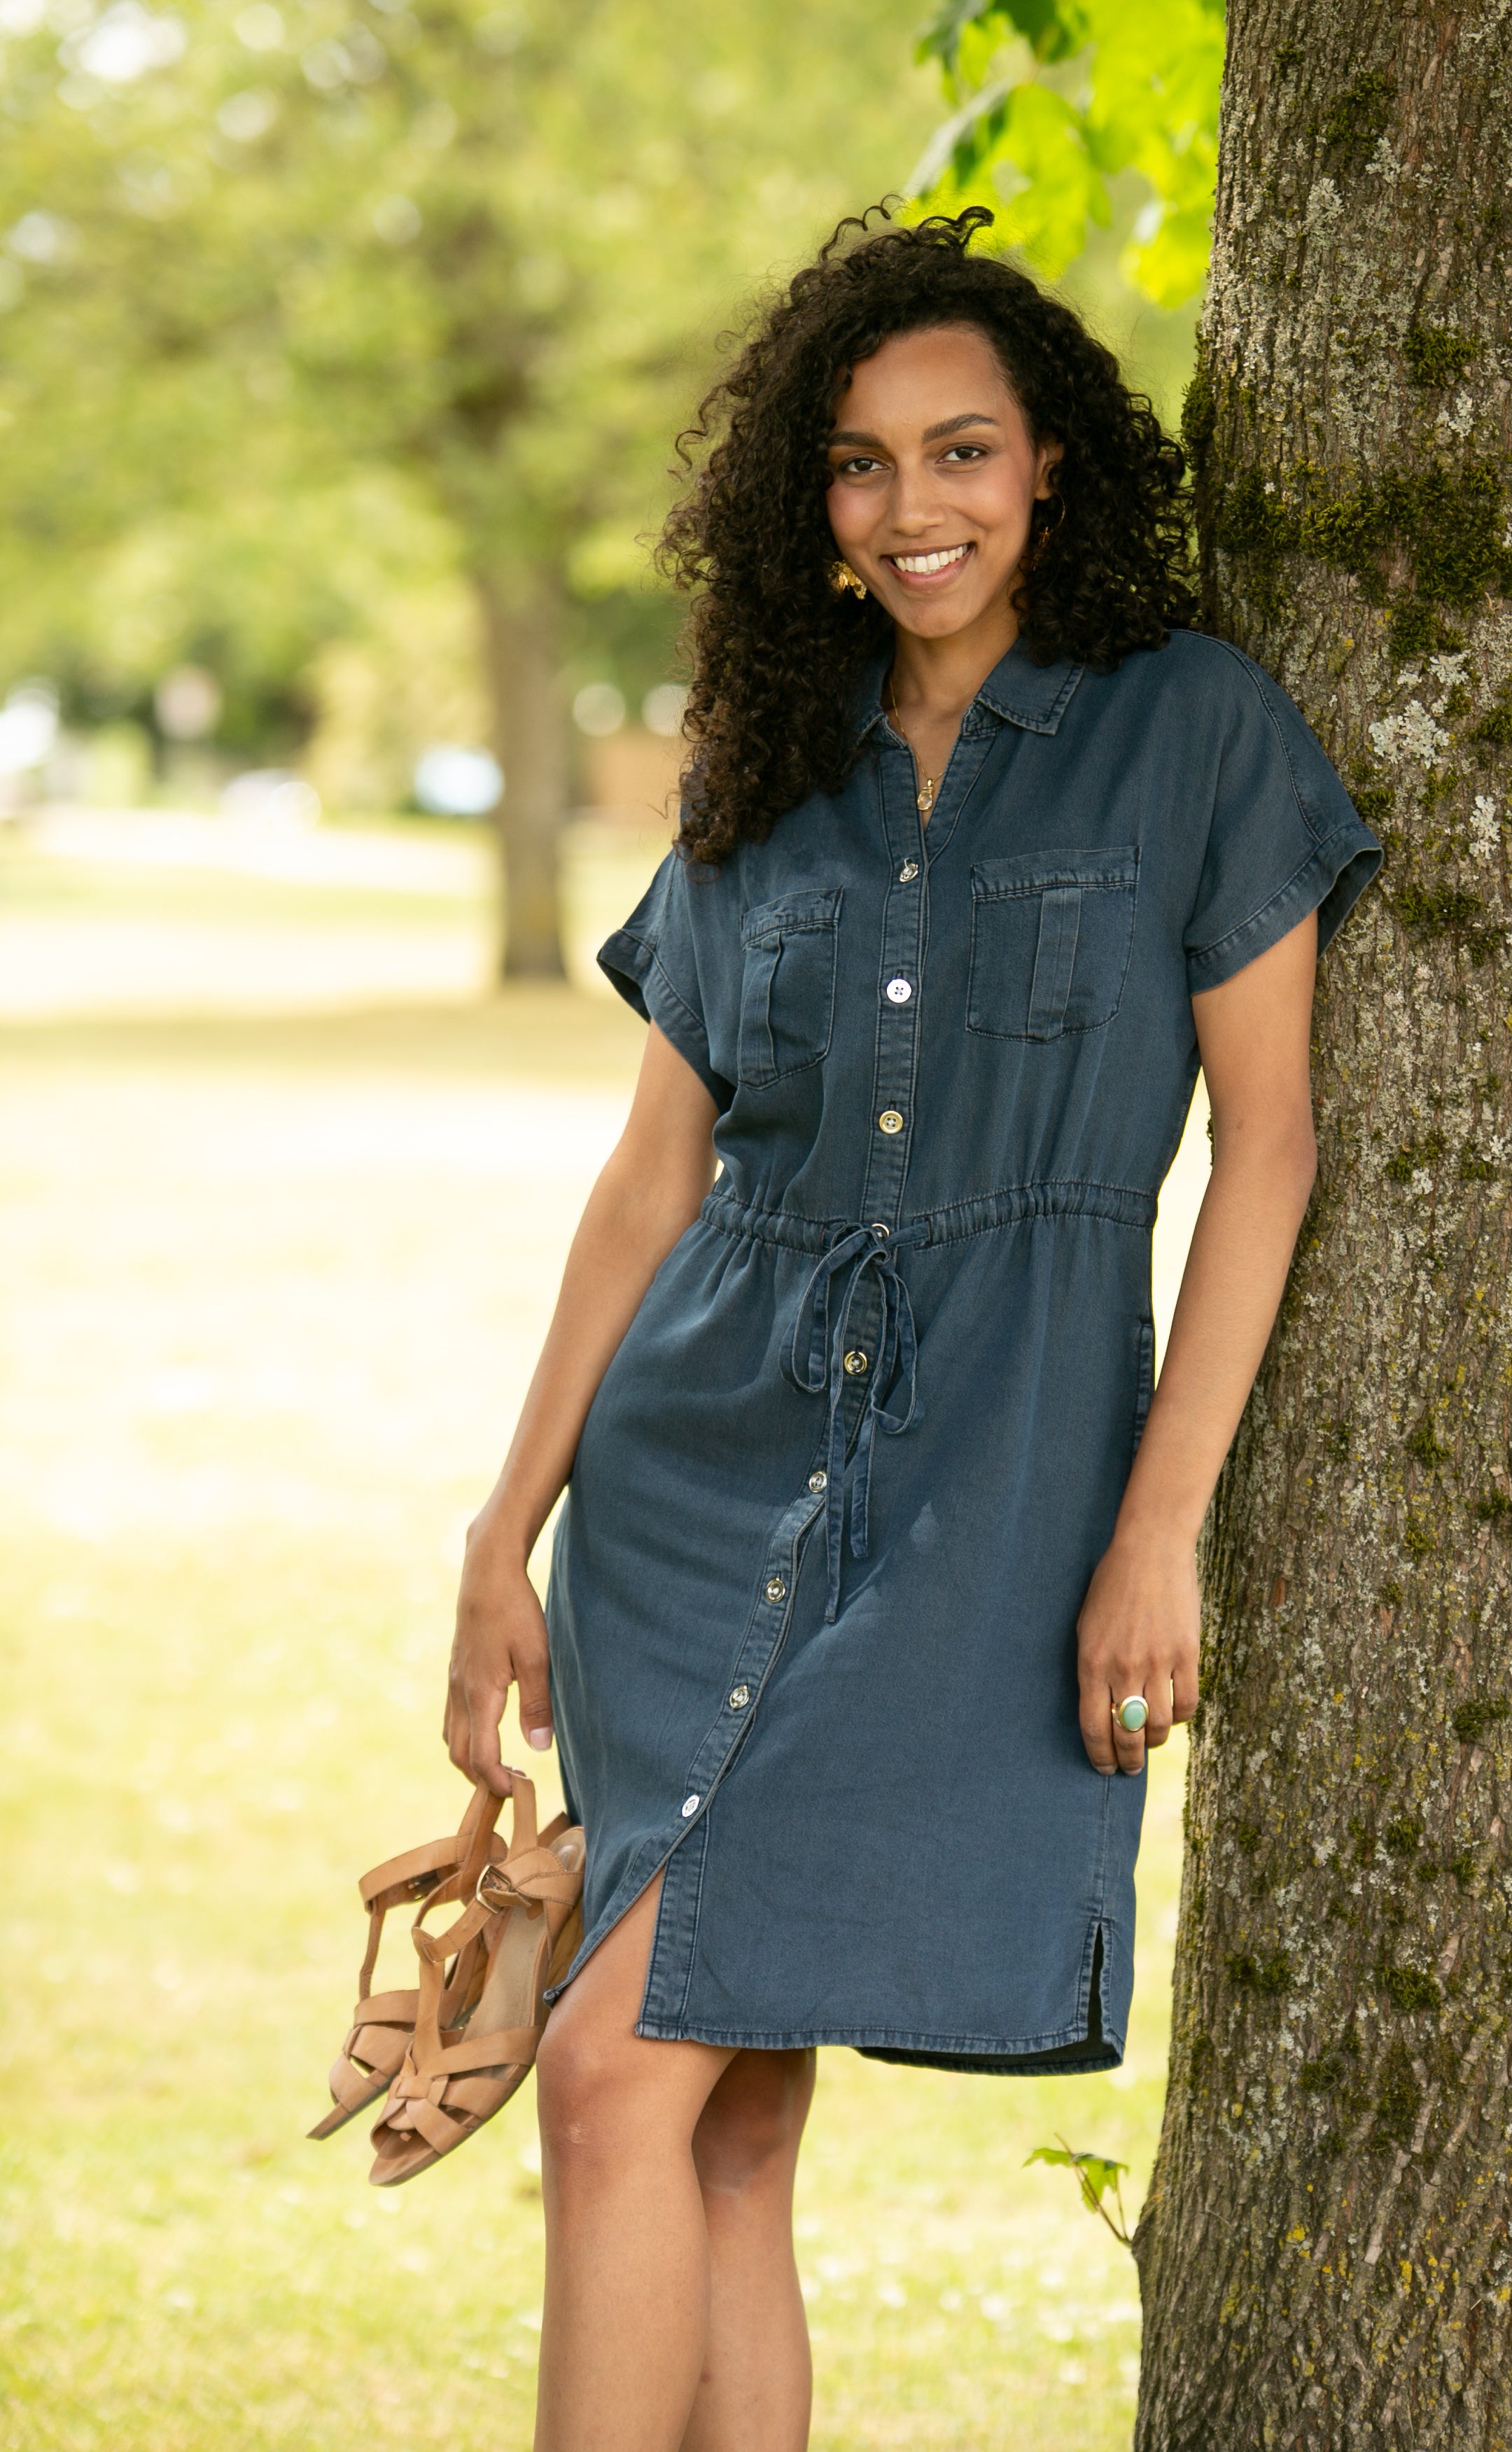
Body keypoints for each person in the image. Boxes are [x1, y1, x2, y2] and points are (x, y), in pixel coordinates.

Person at [442, 206, 1380, 2451]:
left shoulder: (1190, 735)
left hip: (996, 1494)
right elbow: (653, 1182)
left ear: (1049, 463)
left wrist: (1161, 1532)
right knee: (717, 2129)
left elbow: (1265, 1158)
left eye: (960, 453)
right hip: (693, 1482)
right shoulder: (770, 765)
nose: (912, 509)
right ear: (815, 501)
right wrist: (507, 1524)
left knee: (602, 2076)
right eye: (859, 468)